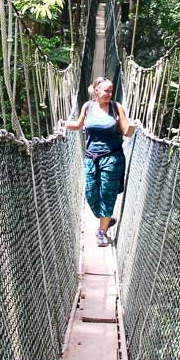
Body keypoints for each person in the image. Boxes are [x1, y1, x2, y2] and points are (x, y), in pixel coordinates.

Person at [59, 77, 140, 247]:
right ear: (96, 91)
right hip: (91, 158)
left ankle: (101, 232)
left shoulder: (117, 108)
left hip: (112, 157)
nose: (109, 94)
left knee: (107, 195)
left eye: (111, 91)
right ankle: (106, 218)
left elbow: (127, 132)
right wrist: (64, 124)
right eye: (106, 91)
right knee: (91, 195)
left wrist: (132, 126)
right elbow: (79, 124)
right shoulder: (87, 107)